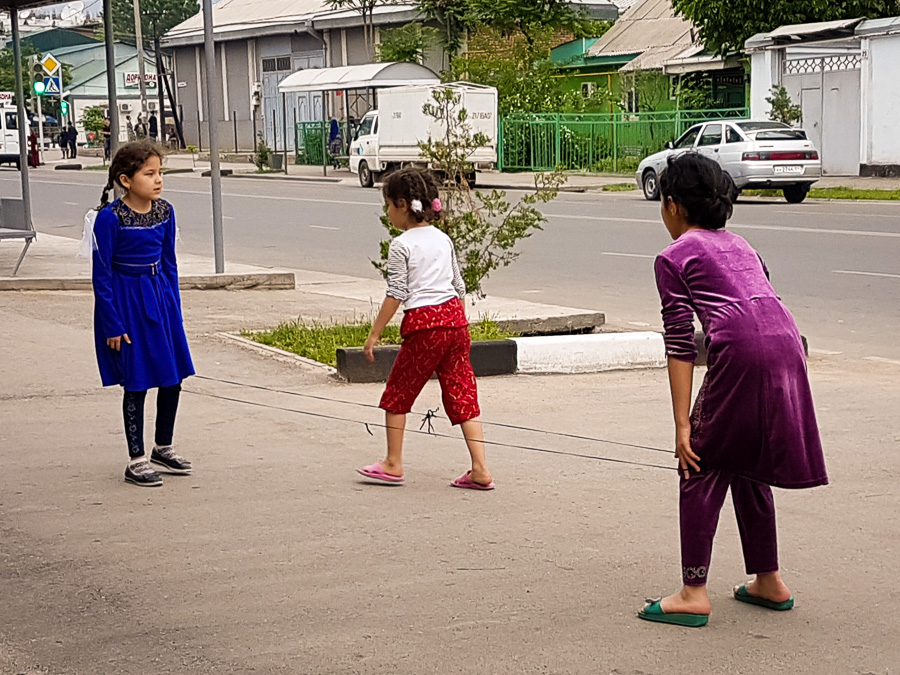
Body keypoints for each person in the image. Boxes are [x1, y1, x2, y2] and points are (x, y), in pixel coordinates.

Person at [638, 153, 828, 628]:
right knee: (748, 460)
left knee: (699, 460)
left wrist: (683, 425)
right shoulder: (742, 245)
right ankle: (768, 580)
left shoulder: (674, 255)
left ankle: (692, 591)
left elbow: (681, 342)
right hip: (787, 344)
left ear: (674, 205)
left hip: (743, 351)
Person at [356, 167, 494, 490]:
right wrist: (458, 324)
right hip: (455, 323)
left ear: (404, 205)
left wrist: (374, 333)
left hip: (425, 325)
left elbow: (396, 294)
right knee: (462, 392)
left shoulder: (402, 245)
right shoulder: (443, 239)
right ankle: (480, 468)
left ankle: (392, 463)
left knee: (398, 393)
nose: (388, 212)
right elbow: (459, 286)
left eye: (389, 205)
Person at [89, 141, 195, 487]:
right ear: (125, 179)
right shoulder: (110, 219)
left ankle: (162, 447)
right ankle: (135, 460)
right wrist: (113, 324)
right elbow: (101, 275)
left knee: (173, 376)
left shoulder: (165, 211)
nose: (158, 180)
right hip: (127, 301)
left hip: (160, 298)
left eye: (160, 172)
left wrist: (174, 310)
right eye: (149, 173)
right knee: (136, 381)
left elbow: (170, 263)